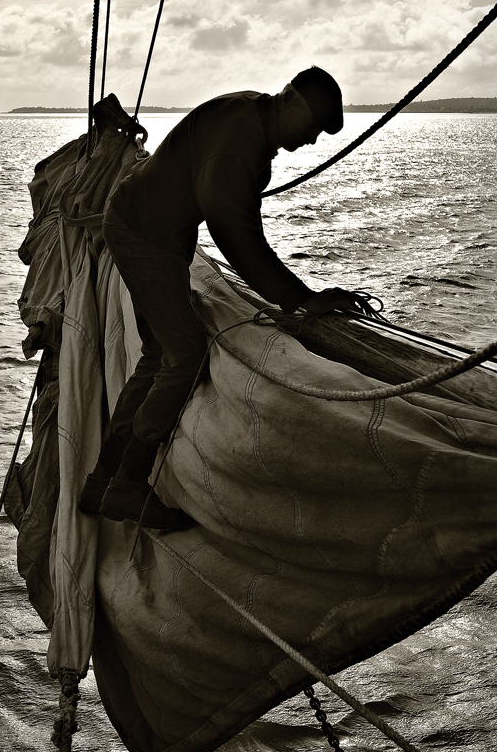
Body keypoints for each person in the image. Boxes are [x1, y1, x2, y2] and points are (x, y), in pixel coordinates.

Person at [81, 66, 366, 528]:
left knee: (157, 355)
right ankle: (128, 485)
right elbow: (234, 230)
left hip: (154, 232)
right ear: (289, 98)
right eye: (312, 126)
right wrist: (299, 298)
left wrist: (295, 294)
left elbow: (236, 218)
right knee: (184, 353)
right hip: (143, 235)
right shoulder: (241, 134)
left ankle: (102, 483)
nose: (313, 140)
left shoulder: (251, 121)